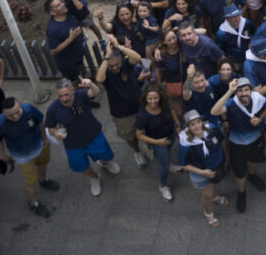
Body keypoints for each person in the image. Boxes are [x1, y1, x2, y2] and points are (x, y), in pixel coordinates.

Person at [44, 78, 121, 197]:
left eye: (66, 94)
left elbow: (95, 92)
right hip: (73, 144)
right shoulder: (53, 109)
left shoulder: (81, 95)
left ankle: (105, 164)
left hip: (93, 135)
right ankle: (94, 178)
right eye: (60, 96)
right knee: (81, 166)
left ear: (73, 90)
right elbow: (50, 128)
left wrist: (90, 84)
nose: (64, 99)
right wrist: (55, 133)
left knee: (106, 155)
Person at [0, 96, 58, 217]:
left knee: (43, 164)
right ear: (3, 113)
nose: (15, 117)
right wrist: (3, 156)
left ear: (20, 105)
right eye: (10, 115)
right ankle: (34, 203)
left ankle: (43, 180)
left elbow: (40, 122)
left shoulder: (29, 109)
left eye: (17, 112)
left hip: (40, 146)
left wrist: (45, 139)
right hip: (22, 157)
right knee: (30, 181)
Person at [211, 76, 266, 212]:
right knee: (239, 171)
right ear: (236, 93)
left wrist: (259, 119)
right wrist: (229, 92)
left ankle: (252, 175)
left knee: (254, 160)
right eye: (240, 91)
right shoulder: (231, 103)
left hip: (256, 139)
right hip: (237, 143)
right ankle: (241, 193)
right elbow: (214, 111)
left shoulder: (257, 98)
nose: (243, 93)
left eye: (246, 90)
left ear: (250, 90)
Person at [95, 35, 151, 169]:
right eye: (111, 65)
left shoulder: (126, 64)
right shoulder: (106, 73)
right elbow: (98, 78)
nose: (114, 68)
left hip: (139, 105)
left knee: (149, 128)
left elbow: (137, 58)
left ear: (120, 59)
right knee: (129, 136)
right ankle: (137, 152)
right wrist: (106, 57)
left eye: (116, 64)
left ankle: (149, 145)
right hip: (121, 113)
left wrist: (119, 46)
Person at [176, 110, 229, 226]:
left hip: (215, 167)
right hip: (200, 173)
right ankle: (208, 213)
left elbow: (221, 141)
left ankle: (215, 197)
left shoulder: (212, 129)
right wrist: (203, 173)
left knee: (213, 186)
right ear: (188, 127)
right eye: (192, 124)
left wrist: (226, 156)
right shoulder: (185, 143)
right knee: (207, 195)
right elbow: (183, 164)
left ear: (202, 122)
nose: (196, 126)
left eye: (198, 122)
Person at [134, 87, 177, 203]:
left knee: (168, 153)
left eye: (155, 98)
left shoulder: (164, 105)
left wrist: (178, 124)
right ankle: (163, 186)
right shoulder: (142, 116)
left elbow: (172, 110)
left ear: (160, 97)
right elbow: (139, 135)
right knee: (163, 165)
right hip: (157, 143)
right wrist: (158, 142)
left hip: (170, 135)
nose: (153, 101)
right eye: (150, 99)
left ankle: (169, 165)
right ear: (146, 99)